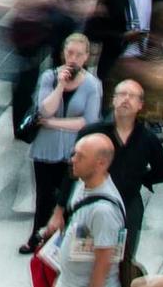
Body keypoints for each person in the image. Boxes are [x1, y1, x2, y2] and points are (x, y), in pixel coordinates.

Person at [52, 81, 163, 270]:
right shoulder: (92, 132)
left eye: (132, 96)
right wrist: (58, 211)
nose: (126, 99)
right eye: (122, 94)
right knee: (83, 258)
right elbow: (71, 172)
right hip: (91, 201)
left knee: (122, 261)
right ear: (113, 100)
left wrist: (141, 177)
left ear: (140, 105)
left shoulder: (147, 138)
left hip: (128, 204)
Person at [23, 33, 102, 254]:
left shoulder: (92, 85)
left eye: (78, 54)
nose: (73, 58)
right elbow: (44, 108)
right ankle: (36, 237)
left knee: (65, 198)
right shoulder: (49, 76)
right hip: (45, 148)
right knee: (43, 196)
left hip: (73, 152)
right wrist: (60, 86)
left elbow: (88, 122)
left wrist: (52, 123)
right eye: (70, 53)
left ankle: (60, 243)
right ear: (63, 53)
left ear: (86, 56)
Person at [38, 133, 125, 287]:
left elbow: (102, 268)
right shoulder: (82, 184)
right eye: (74, 154)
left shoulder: (104, 211)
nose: (73, 160)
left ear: (101, 163)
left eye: (81, 156)